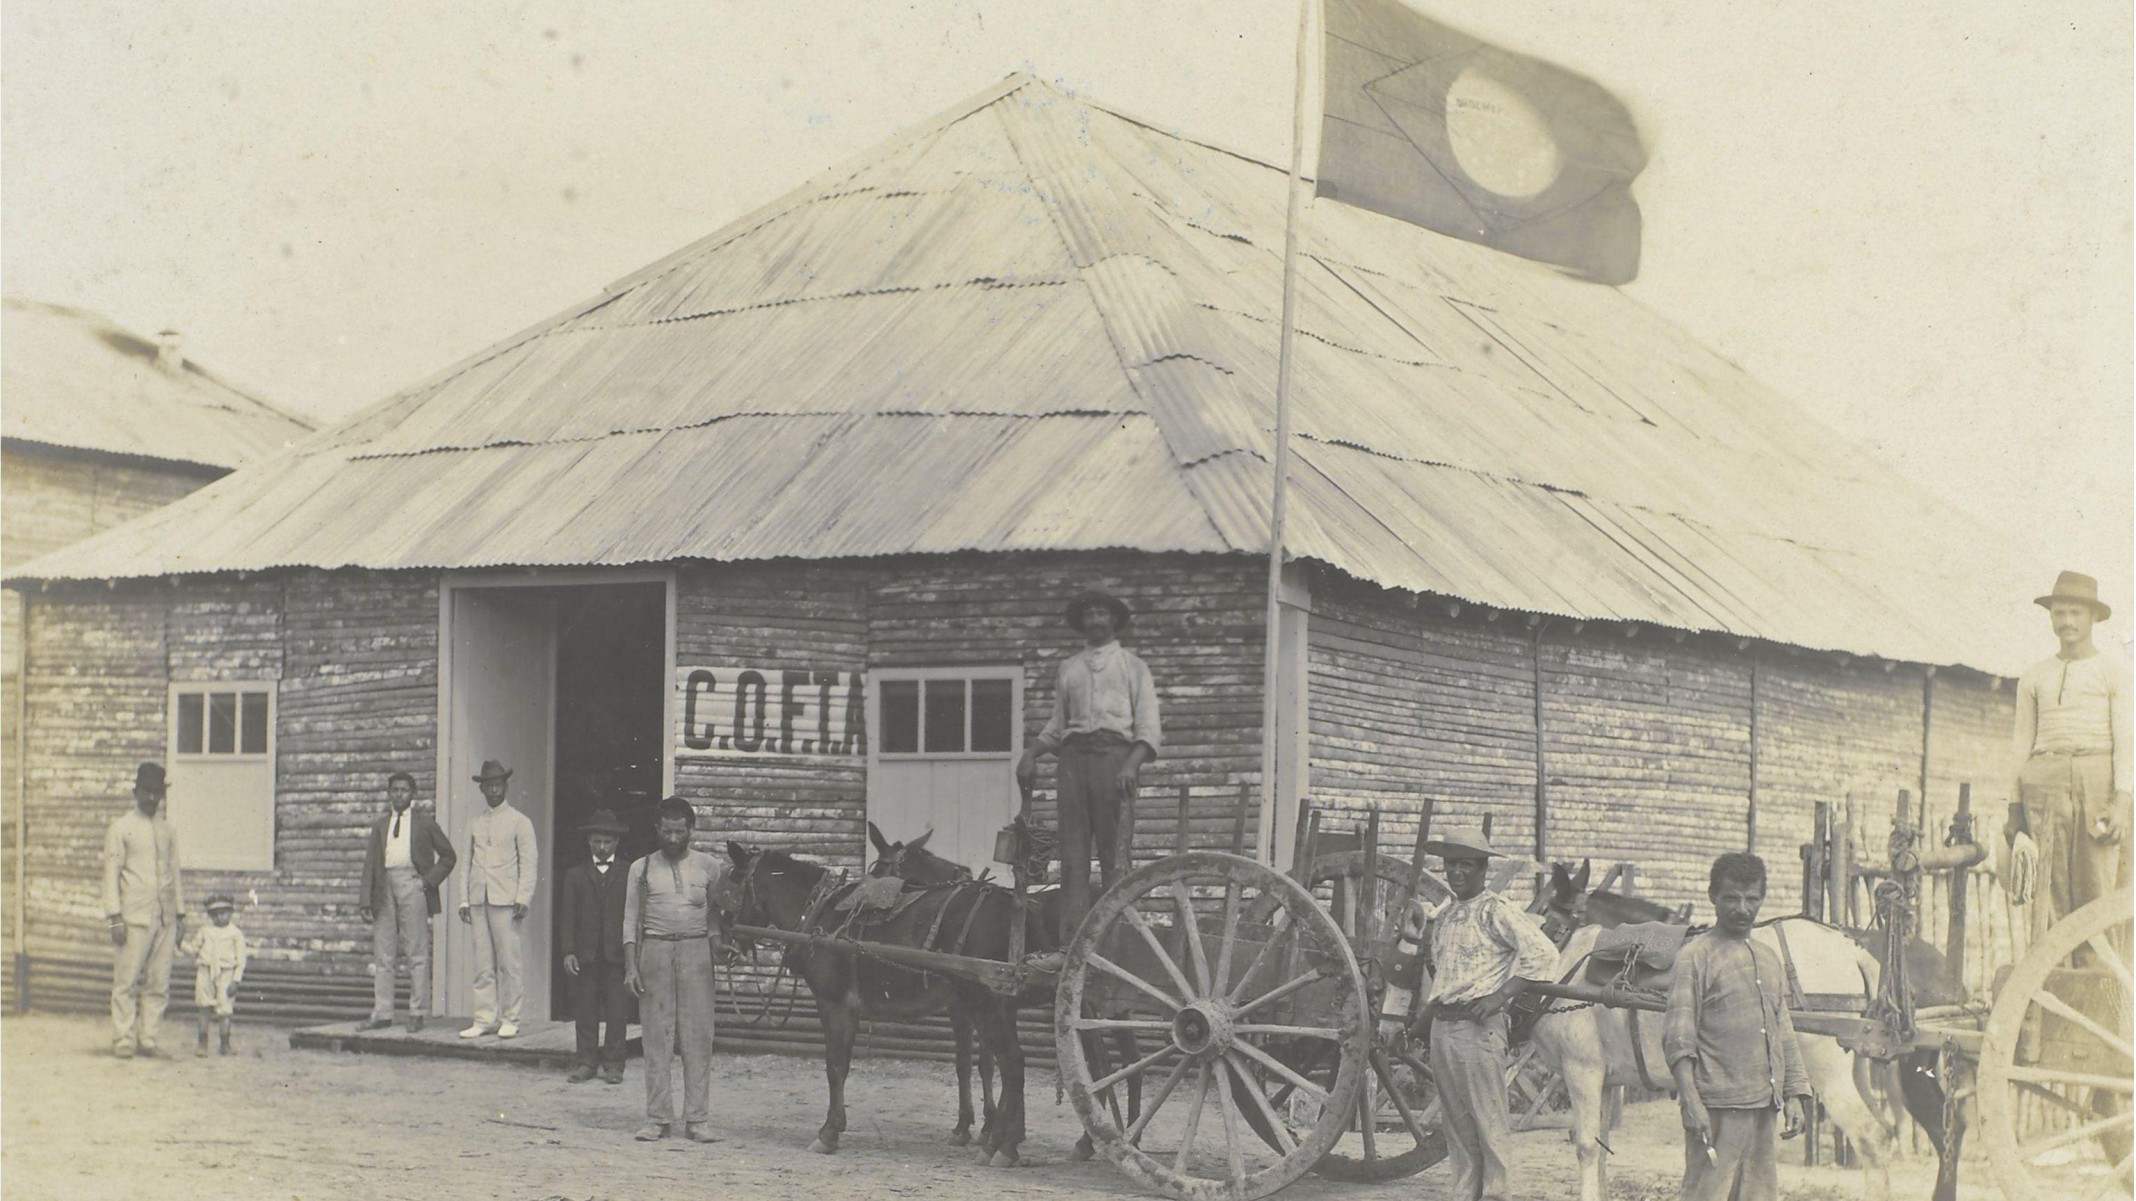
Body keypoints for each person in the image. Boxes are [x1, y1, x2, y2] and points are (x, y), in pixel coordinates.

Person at [1404, 824, 1556, 1201]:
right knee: (1456, 1125)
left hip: (1479, 1030)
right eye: (1451, 865)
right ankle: (1463, 1194)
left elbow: (1544, 955)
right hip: (1444, 1028)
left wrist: (1499, 997)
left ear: (1483, 869)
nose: (1457, 872)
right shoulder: (1447, 914)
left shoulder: (1497, 911)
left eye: (1466, 866)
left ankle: (1496, 1195)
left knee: (1488, 1123)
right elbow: (1441, 975)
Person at [1015, 587, 1162, 943]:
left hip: (1115, 761)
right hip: (1073, 764)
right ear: (1081, 622)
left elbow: (1148, 727)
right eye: (1089, 614)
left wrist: (1130, 765)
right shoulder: (1069, 669)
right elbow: (1056, 727)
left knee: (1115, 856)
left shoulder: (1133, 667)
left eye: (1102, 613)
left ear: (1114, 620)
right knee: (1073, 856)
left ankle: (1116, 939)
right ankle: (1073, 944)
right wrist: (1030, 754)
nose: (1095, 620)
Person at [1664, 852, 1812, 1201]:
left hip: (1763, 1103)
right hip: (1717, 1105)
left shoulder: (1768, 958)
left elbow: (1783, 1031)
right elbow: (1678, 1038)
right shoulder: (1695, 957)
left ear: (1762, 898)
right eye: (1731, 898)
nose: (1742, 908)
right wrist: (1691, 1102)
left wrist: (1794, 1095)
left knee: (1757, 1194)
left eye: (1752, 898)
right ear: (1712, 896)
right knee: (1707, 1193)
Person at [2008, 570, 2132, 942]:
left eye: (2075, 613)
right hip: (2044, 783)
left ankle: (2098, 983)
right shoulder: (2034, 677)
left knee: (2097, 885)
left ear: (2093, 617)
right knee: (2050, 887)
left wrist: (2123, 799)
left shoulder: (2115, 672)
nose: (2067, 622)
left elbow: (2128, 740)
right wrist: (2014, 807)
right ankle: (2056, 980)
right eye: (2059, 613)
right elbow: (2020, 745)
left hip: (2096, 780)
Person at [623, 795, 729, 1144]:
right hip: (654, 951)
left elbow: (716, 914)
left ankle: (697, 1119)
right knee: (656, 1037)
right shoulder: (640, 869)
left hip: (696, 952)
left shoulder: (710, 867)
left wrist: (717, 942)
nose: (672, 838)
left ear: (691, 830)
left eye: (679, 831)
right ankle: (657, 1119)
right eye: (666, 831)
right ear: (657, 829)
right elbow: (629, 922)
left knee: (698, 1036)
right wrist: (630, 967)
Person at [358, 771, 457, 1032]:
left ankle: (417, 1011)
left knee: (417, 951)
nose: (399, 794)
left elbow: (448, 856)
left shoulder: (425, 824)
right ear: (389, 794)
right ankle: (382, 1012)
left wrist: (427, 881)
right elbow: (370, 864)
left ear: (412, 794)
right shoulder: (380, 825)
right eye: (395, 790)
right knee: (383, 953)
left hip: (413, 885)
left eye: (404, 790)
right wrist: (365, 900)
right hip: (384, 888)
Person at [103, 762, 185, 1059]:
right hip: (132, 916)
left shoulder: (167, 830)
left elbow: (174, 872)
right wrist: (114, 916)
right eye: (146, 792)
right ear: (135, 791)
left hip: (164, 916)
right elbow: (111, 873)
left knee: (158, 981)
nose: (152, 798)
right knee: (125, 980)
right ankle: (123, 1038)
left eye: (157, 793)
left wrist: (180, 913)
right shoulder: (121, 828)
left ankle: (148, 1038)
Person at [458, 759, 539, 1040]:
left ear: (505, 786)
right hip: (479, 898)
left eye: (497, 785)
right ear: (482, 790)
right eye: (488, 786)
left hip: (506, 900)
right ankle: (483, 1019)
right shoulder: (474, 823)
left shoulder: (520, 822)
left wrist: (523, 897)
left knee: (509, 963)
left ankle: (510, 1018)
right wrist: (464, 901)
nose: (493, 790)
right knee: (483, 963)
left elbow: (529, 864)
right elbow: (466, 863)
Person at [560, 808, 632, 1084]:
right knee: (585, 1010)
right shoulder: (575, 875)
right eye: (597, 841)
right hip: (586, 954)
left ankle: (614, 1064)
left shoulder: (629, 873)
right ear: (588, 841)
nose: (602, 847)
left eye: (607, 842)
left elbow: (635, 915)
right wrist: (568, 951)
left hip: (616, 955)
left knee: (617, 1011)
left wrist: (632, 953)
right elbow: (567, 917)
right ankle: (586, 1062)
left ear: (617, 843)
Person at [183, 894, 248, 1056]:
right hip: (205, 971)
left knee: (225, 1009)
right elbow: (193, 949)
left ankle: (225, 1044)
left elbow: (241, 960)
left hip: (226, 973)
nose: (220, 917)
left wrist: (236, 981)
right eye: (215, 914)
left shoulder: (235, 933)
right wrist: (180, 942)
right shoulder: (205, 931)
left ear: (230, 913)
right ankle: (202, 1043)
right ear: (210, 916)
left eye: (224, 913)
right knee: (204, 1007)